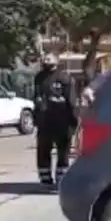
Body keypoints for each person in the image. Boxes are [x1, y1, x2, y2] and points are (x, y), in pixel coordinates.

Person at [33, 53, 78, 187]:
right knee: (43, 149)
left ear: (56, 61)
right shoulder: (39, 78)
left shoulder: (64, 78)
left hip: (61, 120)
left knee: (63, 150)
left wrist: (73, 119)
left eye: (49, 59)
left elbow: (72, 99)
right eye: (44, 59)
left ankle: (61, 177)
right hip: (44, 121)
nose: (45, 61)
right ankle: (45, 177)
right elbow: (36, 96)